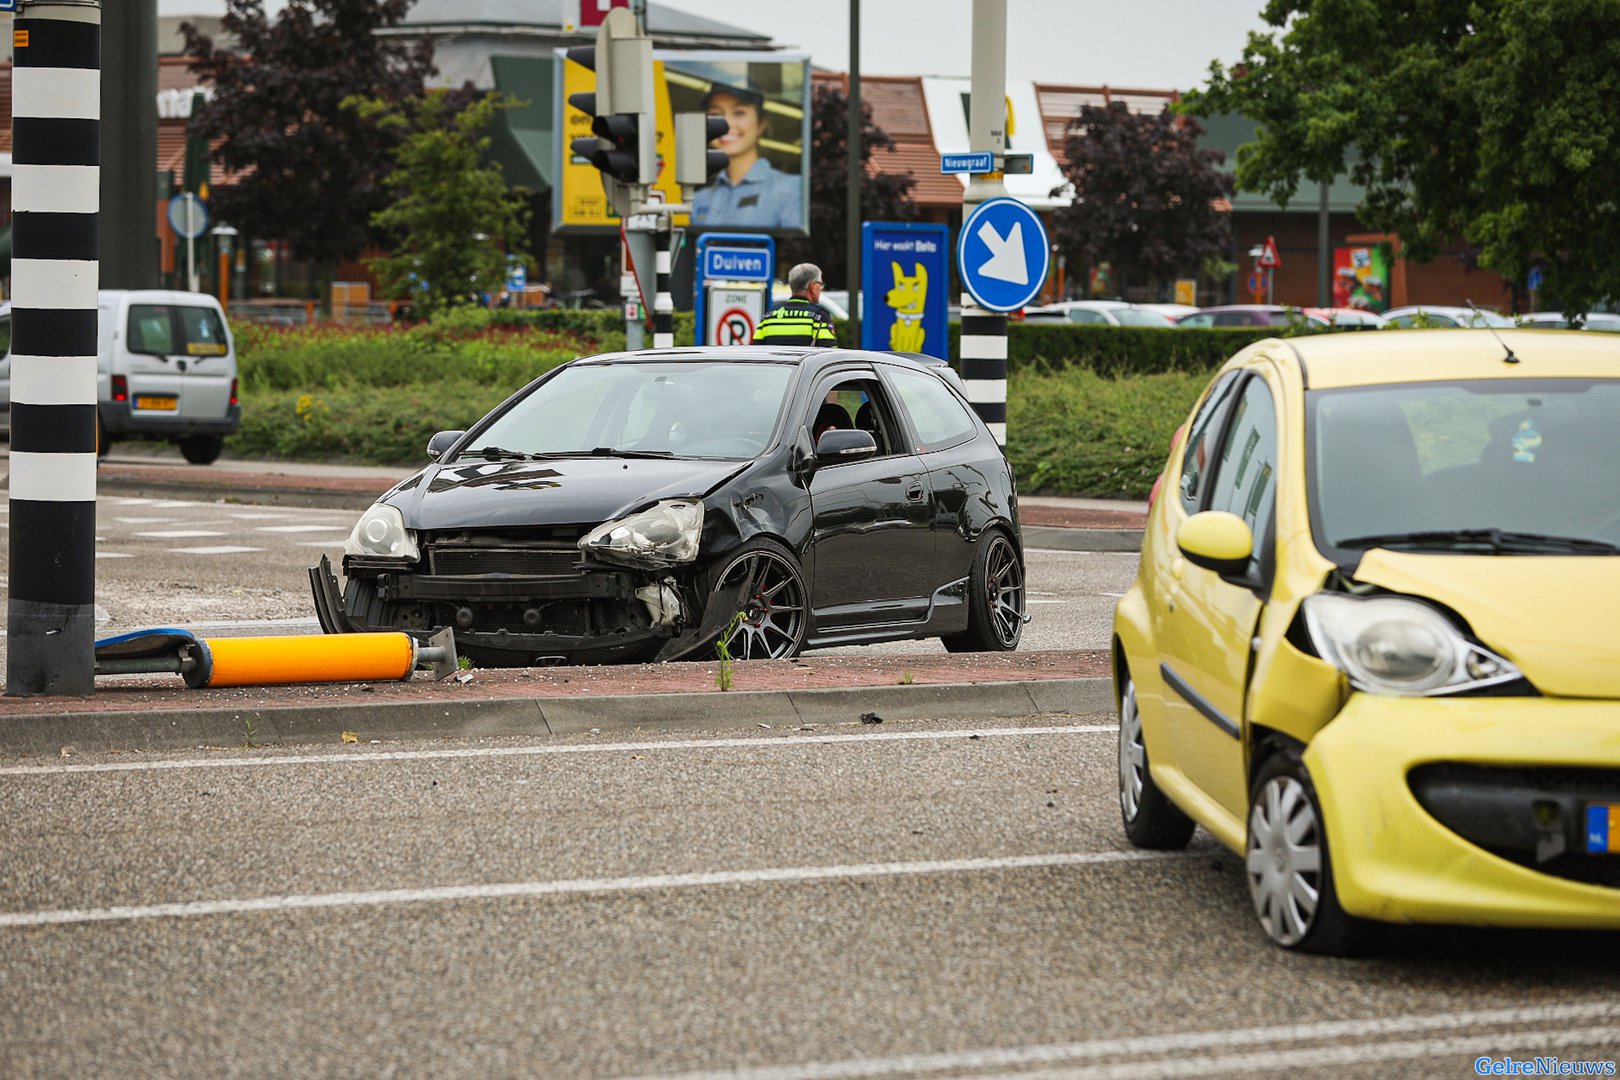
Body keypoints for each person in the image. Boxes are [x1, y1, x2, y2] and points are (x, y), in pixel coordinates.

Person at [690, 82, 800, 230]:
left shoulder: (790, 189)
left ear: (761, 124)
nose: (726, 124)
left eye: (739, 112)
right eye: (715, 114)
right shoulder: (699, 199)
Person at [753, 263, 838, 346]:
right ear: (813, 286)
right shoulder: (819, 316)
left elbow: (757, 350)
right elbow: (830, 353)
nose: (821, 288)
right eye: (820, 284)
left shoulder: (769, 316)